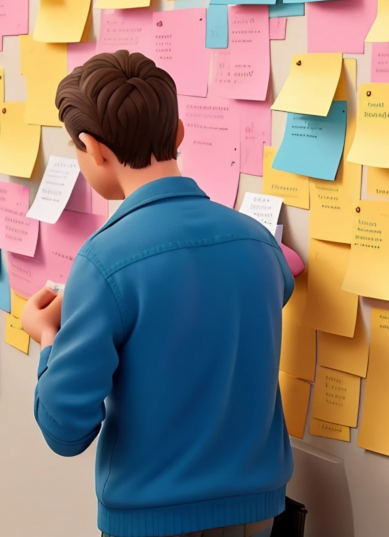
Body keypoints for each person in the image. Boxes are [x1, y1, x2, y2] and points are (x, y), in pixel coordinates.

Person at [21, 50, 295, 537]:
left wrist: (48, 336)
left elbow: (65, 428)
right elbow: (277, 285)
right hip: (261, 512)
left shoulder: (104, 262)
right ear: (179, 134)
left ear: (93, 147)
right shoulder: (260, 243)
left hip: (154, 520)